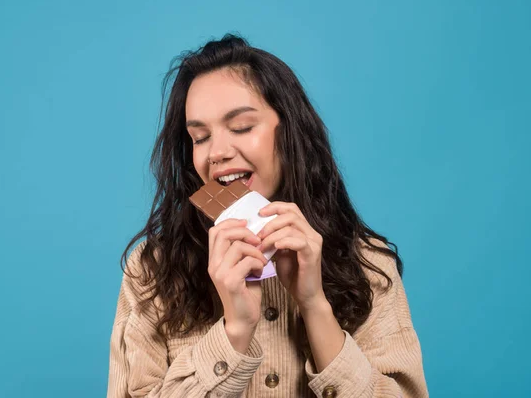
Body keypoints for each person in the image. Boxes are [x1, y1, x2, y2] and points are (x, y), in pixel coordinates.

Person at [107, 34, 428, 398]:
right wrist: (234, 331)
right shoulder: (152, 270)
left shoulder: (369, 264)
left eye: (241, 127)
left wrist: (314, 306)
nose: (217, 153)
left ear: (290, 132)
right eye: (200, 137)